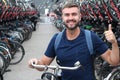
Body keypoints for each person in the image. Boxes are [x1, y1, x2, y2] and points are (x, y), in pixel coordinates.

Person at [28, 3, 120, 80]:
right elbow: (43, 64)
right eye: (67, 15)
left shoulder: (90, 37)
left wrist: (114, 43)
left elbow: (114, 61)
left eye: (74, 14)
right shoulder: (56, 39)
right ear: (62, 18)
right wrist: (35, 63)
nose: (70, 18)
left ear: (80, 17)